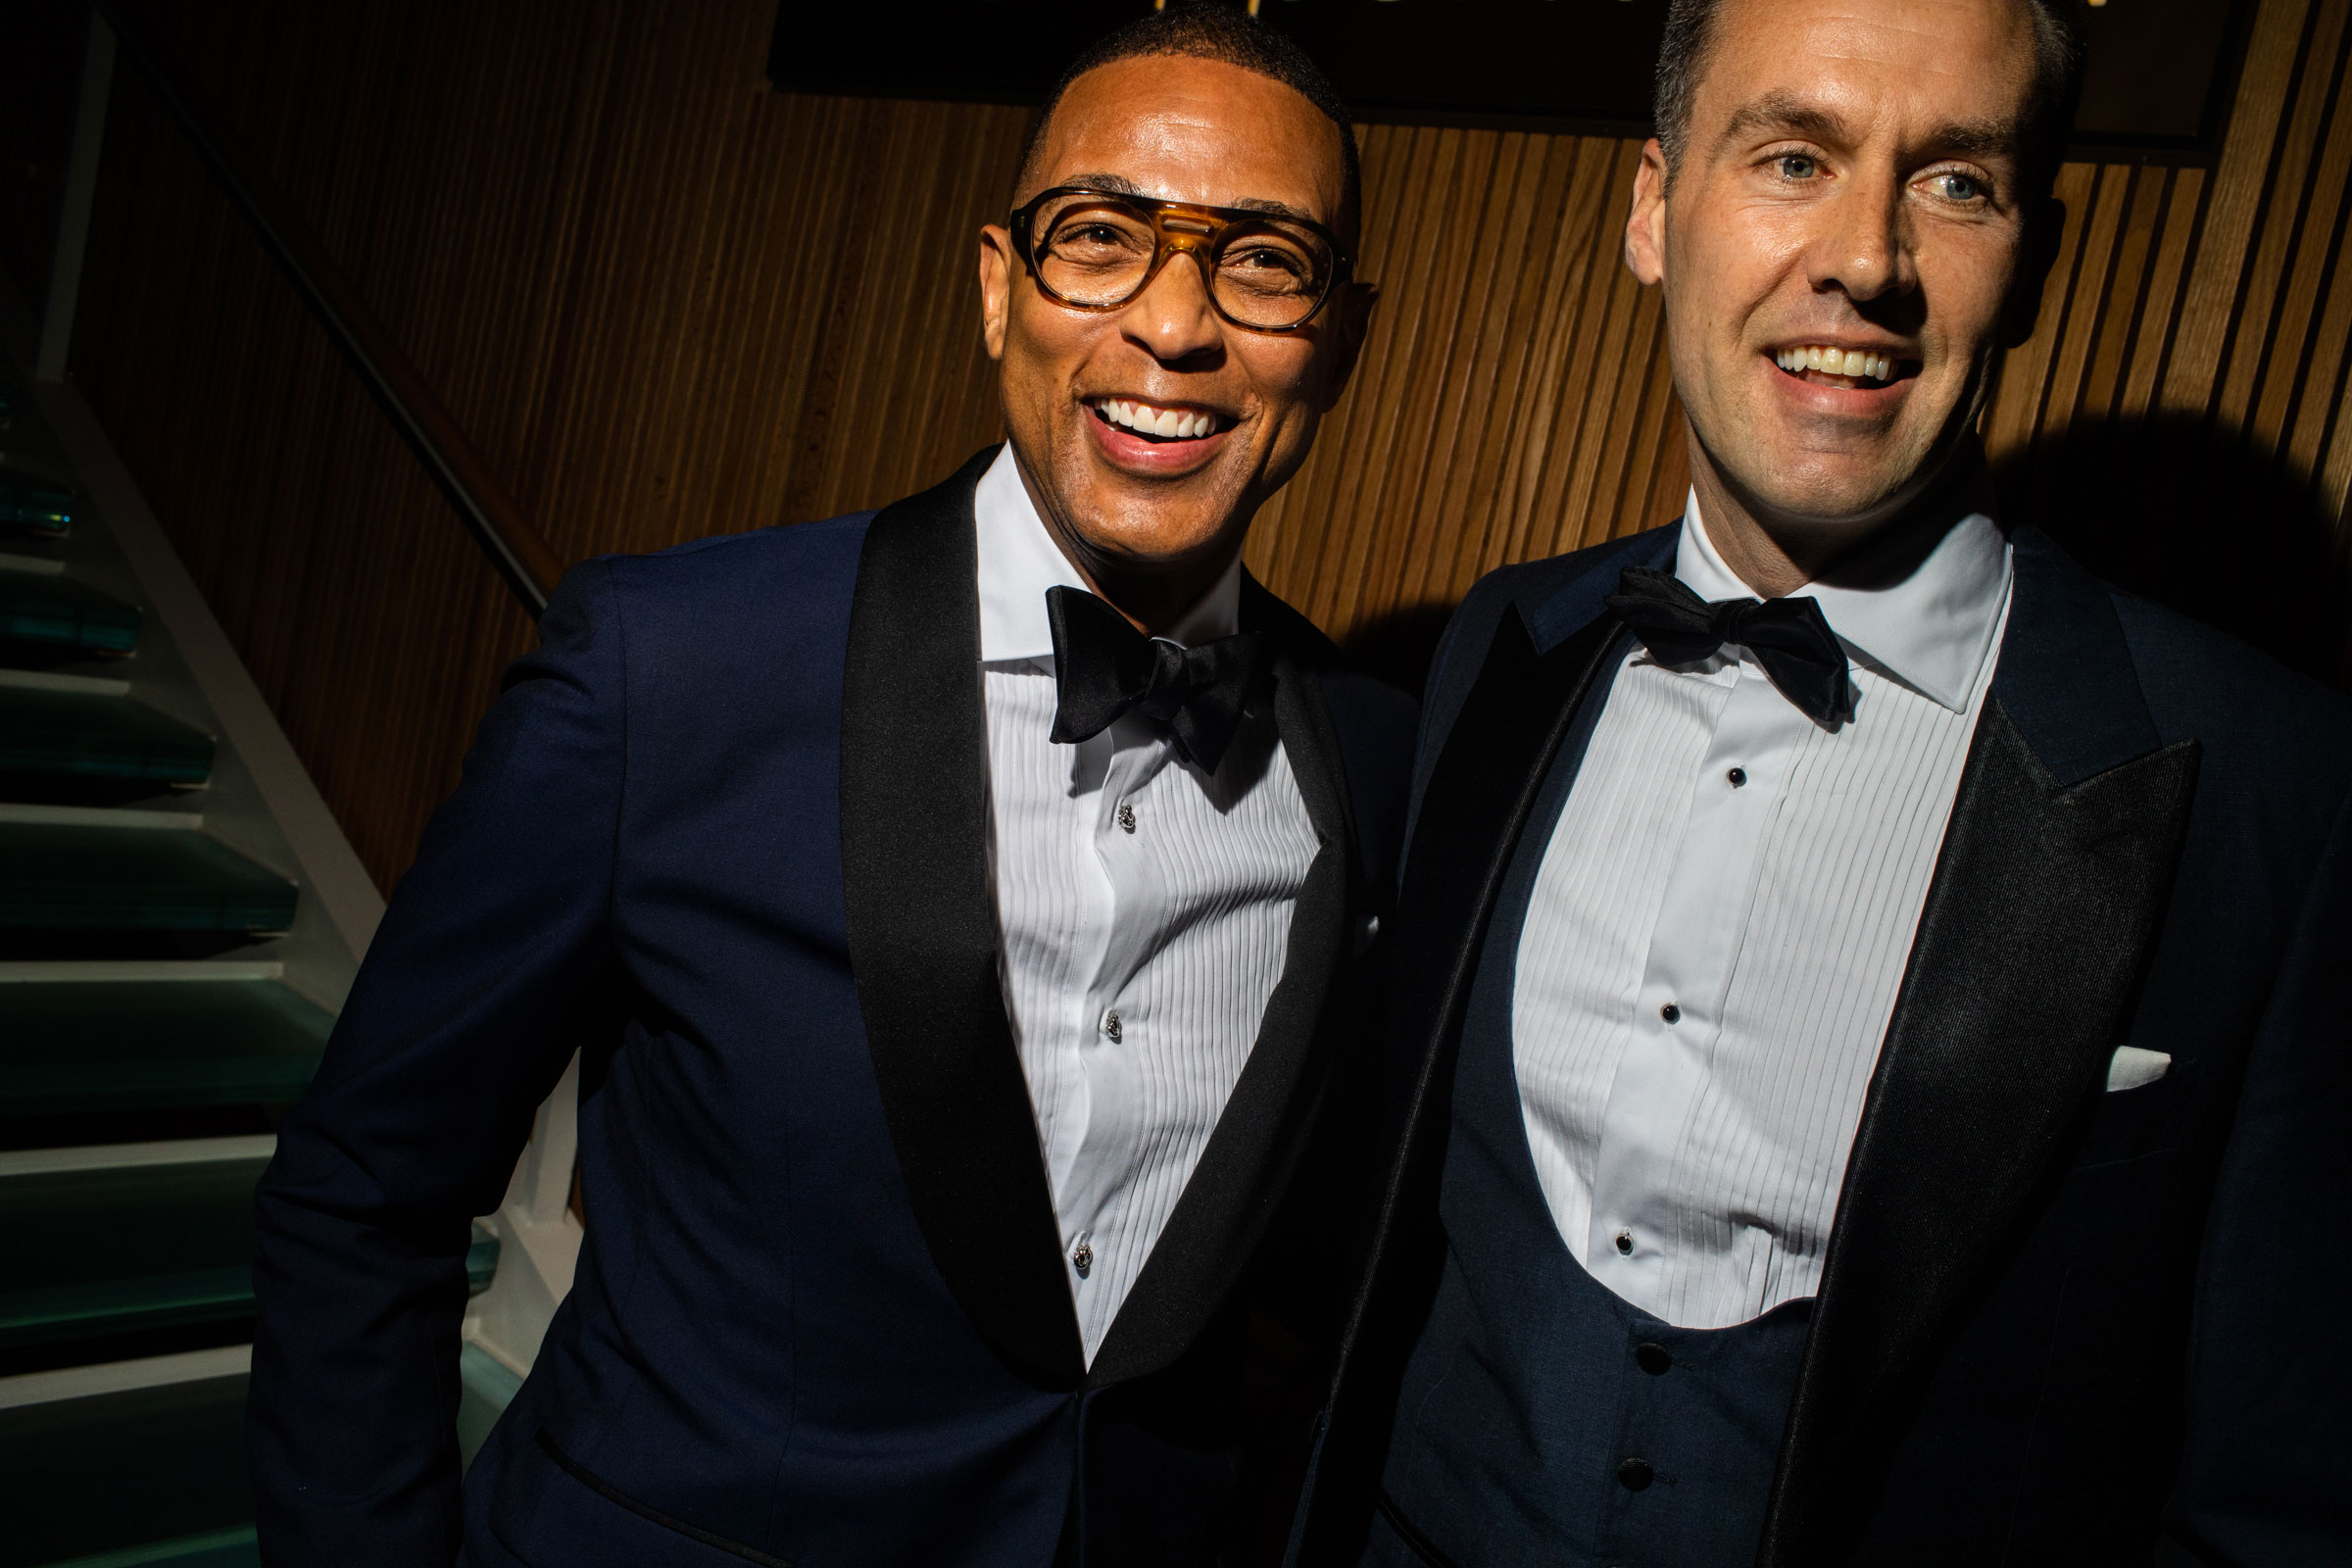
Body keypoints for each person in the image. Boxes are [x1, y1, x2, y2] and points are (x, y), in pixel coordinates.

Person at [246, 10, 1414, 1565]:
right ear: (999, 287)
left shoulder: (1376, 759)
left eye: (1265, 260)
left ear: (1339, 337)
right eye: (1101, 239)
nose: (1175, 325)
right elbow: (361, 1192)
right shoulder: (668, 672)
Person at [1290, 0, 2352, 1563]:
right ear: (1656, 209)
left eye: (1956, 183)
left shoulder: (2280, 794)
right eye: (1795, 155)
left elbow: (2278, 1500)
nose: (1867, 257)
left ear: (2036, 257)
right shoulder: (1502, 647)